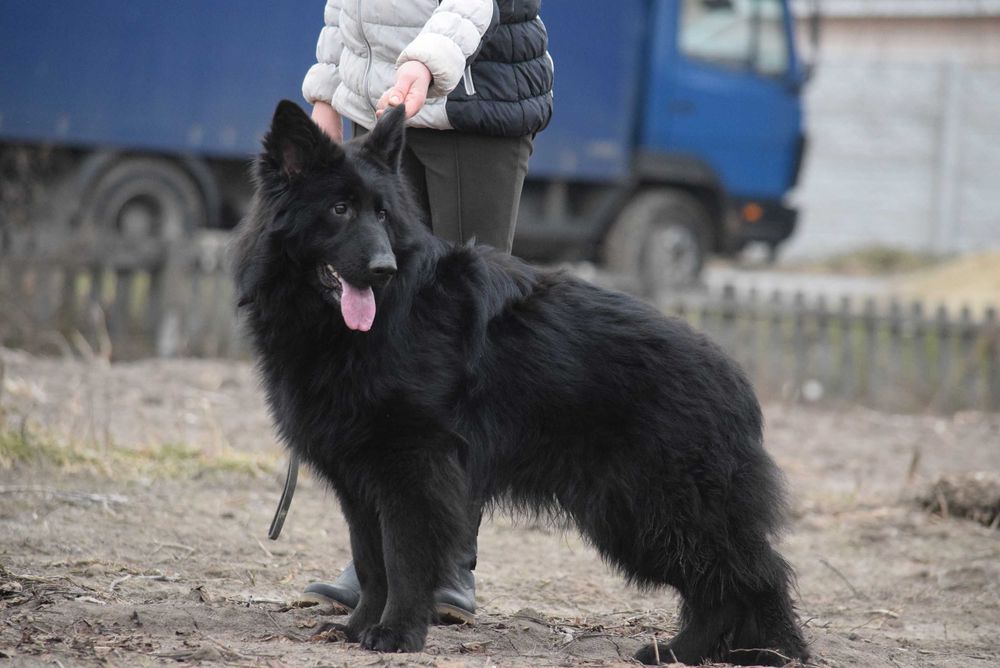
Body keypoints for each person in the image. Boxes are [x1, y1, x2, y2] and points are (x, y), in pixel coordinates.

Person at [297, 0, 554, 624]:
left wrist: (425, 62)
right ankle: (380, 562)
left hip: (468, 105)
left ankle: (448, 565)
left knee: (463, 349)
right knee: (372, 350)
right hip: (383, 109)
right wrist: (328, 92)